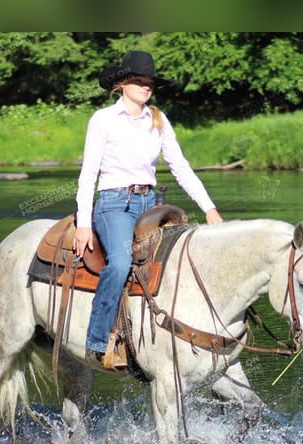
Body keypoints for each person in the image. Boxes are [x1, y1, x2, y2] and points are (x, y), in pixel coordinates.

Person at [74, 50, 223, 369]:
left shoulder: (158, 119)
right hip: (114, 203)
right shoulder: (102, 120)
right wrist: (83, 224)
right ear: (123, 83)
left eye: (150, 82)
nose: (146, 87)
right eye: (140, 81)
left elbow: (180, 167)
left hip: (150, 204)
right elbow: (88, 174)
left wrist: (209, 208)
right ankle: (97, 341)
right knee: (120, 262)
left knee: (181, 258)